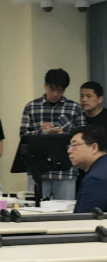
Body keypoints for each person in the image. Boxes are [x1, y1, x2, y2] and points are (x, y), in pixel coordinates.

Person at [20, 68, 86, 200]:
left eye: (60, 91)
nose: (55, 94)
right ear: (45, 85)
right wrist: (41, 132)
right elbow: (23, 135)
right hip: (38, 170)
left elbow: (83, 137)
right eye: (52, 89)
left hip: (65, 170)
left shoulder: (75, 108)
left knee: (65, 209)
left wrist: (64, 135)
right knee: (35, 209)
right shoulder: (31, 107)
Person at [67, 126, 107, 213]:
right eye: (69, 146)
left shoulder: (96, 179)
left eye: (74, 145)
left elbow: (85, 219)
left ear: (94, 148)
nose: (69, 151)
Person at [77, 82, 107, 189]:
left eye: (89, 96)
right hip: (82, 168)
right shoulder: (78, 118)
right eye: (82, 96)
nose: (84, 100)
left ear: (100, 99)